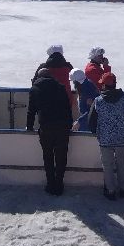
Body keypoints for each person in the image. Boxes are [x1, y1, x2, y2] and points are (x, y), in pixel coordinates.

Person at [88, 72, 124, 200]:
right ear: (115, 84)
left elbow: (91, 122)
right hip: (122, 139)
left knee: (108, 166)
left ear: (104, 85)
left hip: (105, 140)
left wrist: (98, 132)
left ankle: (110, 191)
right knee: (122, 164)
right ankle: (123, 189)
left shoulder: (98, 101)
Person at [27, 67, 74, 195]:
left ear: (38, 77)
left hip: (46, 127)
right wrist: (69, 124)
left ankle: (50, 184)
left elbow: (31, 111)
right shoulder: (60, 87)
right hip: (62, 127)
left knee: (47, 156)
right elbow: (67, 107)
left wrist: (29, 126)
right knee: (61, 157)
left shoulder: (35, 89)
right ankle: (59, 184)